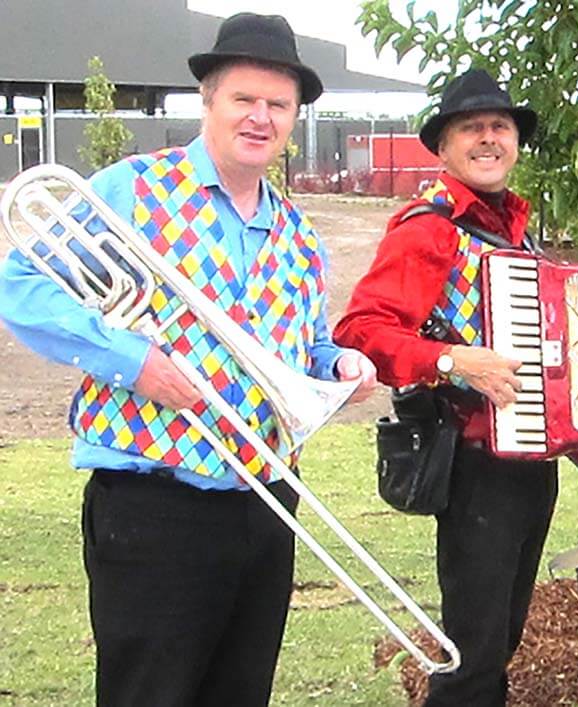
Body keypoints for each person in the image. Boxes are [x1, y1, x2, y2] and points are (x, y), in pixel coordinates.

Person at [0, 12, 376, 705]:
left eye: (278, 105)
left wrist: (337, 368)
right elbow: (19, 284)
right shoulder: (134, 189)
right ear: (209, 100)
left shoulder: (295, 230)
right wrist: (131, 359)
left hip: (266, 506)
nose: (260, 117)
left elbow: (308, 344)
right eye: (244, 99)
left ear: (293, 116)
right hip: (154, 509)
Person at [334, 68, 559, 706]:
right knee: (472, 655)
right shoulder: (430, 227)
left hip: (528, 464)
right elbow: (361, 331)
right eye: (472, 128)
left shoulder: (515, 227)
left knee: (497, 639)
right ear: (445, 146)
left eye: (500, 127)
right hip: (473, 464)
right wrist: (455, 364)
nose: (489, 139)